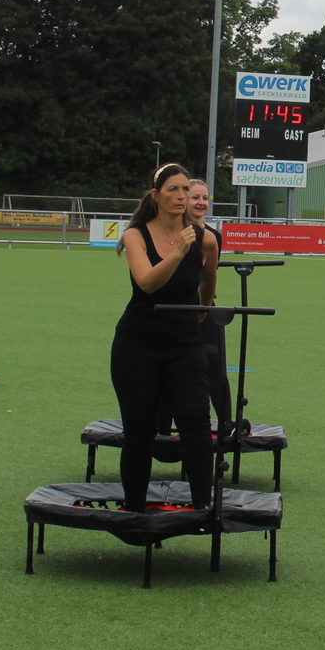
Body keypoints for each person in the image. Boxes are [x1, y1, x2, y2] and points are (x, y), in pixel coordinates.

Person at [112, 164, 219, 513]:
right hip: (137, 344)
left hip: (184, 344)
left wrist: (201, 312)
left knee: (196, 422)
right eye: (173, 190)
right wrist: (177, 252)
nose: (181, 196)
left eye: (185, 190)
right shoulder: (135, 235)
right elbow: (147, 283)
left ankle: (204, 506)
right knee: (139, 431)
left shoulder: (204, 239)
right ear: (156, 196)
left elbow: (208, 282)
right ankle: (134, 509)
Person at [185, 181, 231, 432]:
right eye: (195, 197)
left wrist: (204, 308)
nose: (201, 202)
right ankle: (161, 424)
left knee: (214, 364)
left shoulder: (214, 236)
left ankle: (226, 421)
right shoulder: (173, 232)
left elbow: (209, 277)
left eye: (205, 197)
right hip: (178, 307)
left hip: (205, 306)